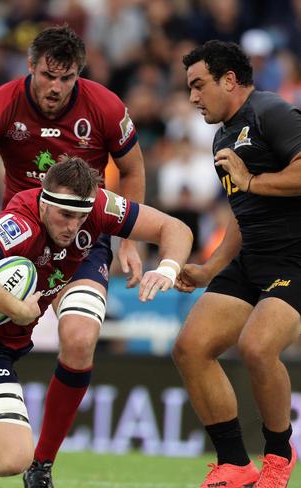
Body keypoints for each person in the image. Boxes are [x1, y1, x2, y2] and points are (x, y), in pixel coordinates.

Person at [0, 156, 191, 486]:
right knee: (11, 453)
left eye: (81, 217)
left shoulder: (100, 206)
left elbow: (174, 228)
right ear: (45, 203)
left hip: (2, 341)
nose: (73, 227)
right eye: (65, 215)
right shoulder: (21, 223)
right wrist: (15, 308)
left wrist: (168, 268)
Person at [0, 24, 147, 487]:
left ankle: (42, 464)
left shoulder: (107, 107)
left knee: (78, 339)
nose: (56, 87)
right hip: (25, 240)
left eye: (67, 78)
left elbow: (132, 168)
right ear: (30, 67)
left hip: (86, 240)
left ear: (79, 75)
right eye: (48, 76)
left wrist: (128, 241)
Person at [173, 40, 301, 487]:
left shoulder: (272, 111)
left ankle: (279, 459)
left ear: (229, 80)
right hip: (250, 259)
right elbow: (240, 212)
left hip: (294, 257)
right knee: (190, 347)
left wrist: (252, 179)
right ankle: (233, 463)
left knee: (257, 347)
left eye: (198, 85)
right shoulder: (223, 136)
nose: (192, 97)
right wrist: (209, 269)